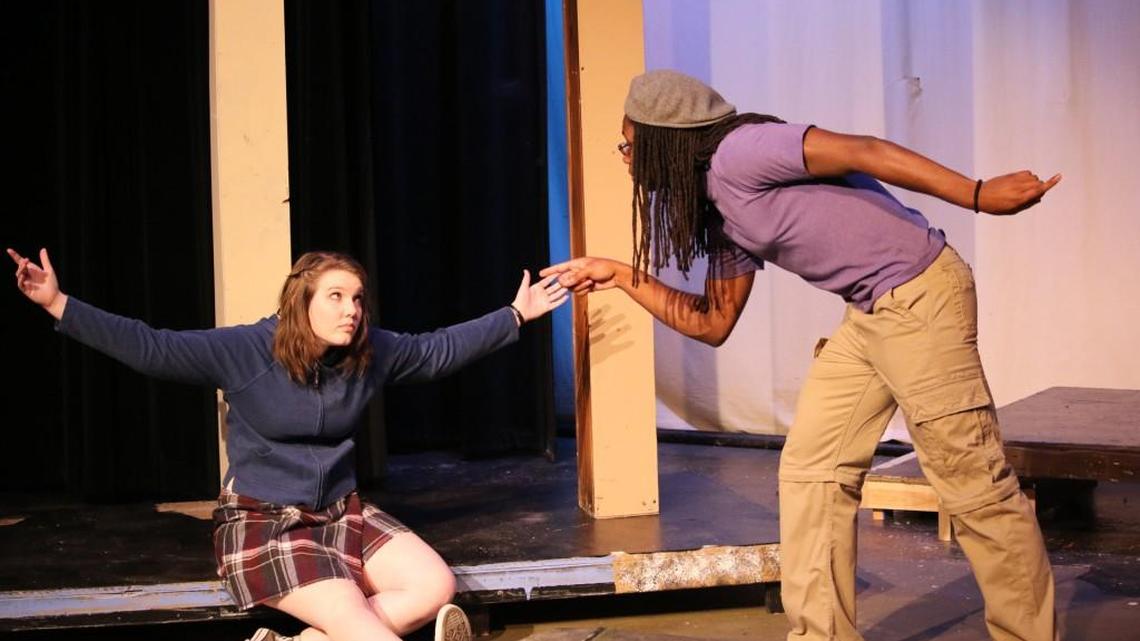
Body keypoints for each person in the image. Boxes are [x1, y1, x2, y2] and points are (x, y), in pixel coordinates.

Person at [542, 70, 1060, 641]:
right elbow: (712, 323)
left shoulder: (743, 150)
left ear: (667, 139)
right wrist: (619, 274)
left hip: (919, 295)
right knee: (812, 471)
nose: (626, 158)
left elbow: (864, 150)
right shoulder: (719, 208)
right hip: (868, 314)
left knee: (971, 480)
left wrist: (977, 193)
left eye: (630, 144)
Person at [8, 247, 568, 641]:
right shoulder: (248, 351)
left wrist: (515, 314)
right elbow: (153, 347)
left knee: (433, 586)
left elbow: (436, 350)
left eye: (357, 298)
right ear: (301, 301)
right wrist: (60, 304)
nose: (352, 310)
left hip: (340, 514)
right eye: (336, 296)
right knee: (350, 612)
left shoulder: (367, 352)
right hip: (264, 520)